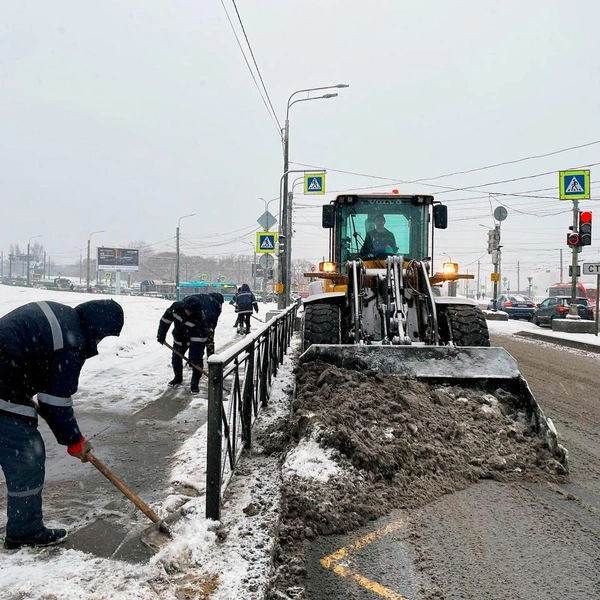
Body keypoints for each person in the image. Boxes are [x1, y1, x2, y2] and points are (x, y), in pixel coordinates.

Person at [0, 299, 124, 550]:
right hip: (4, 390)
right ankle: (25, 531)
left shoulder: (62, 317)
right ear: (96, 328)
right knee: (26, 455)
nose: (98, 343)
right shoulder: (71, 339)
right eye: (101, 337)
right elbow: (55, 402)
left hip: (7, 383)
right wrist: (75, 440)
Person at [156, 295, 208, 394]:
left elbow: (199, 340)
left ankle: (194, 384)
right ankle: (178, 377)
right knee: (176, 359)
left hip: (195, 340)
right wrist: (161, 335)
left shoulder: (200, 319)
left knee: (196, 361)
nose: (188, 312)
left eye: (191, 311)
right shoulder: (176, 308)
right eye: (187, 310)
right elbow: (165, 320)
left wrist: (193, 356)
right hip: (179, 337)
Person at [181, 293, 224, 358]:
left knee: (192, 340)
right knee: (208, 341)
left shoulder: (204, 298)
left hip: (190, 318)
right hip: (205, 322)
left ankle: (192, 359)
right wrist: (211, 329)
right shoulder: (216, 304)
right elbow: (214, 319)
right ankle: (211, 359)